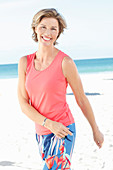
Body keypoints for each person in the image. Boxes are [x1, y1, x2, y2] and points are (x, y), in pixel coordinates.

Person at [18, 8, 104, 170]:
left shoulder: (65, 62)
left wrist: (95, 129)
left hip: (63, 129)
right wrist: (48, 124)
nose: (48, 32)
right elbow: (24, 104)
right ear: (35, 28)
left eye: (53, 28)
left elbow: (81, 98)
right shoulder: (24, 62)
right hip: (42, 131)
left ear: (58, 33)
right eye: (43, 26)